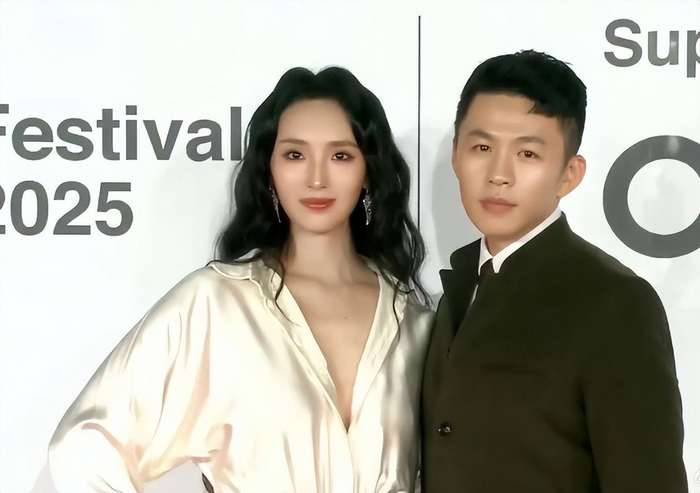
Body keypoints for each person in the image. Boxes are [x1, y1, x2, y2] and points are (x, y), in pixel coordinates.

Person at [49, 67, 432, 493]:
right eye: (295, 155)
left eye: (340, 156)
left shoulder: (415, 323)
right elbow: (85, 445)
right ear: (269, 171)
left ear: (368, 172)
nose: (317, 178)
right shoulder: (215, 305)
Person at [421, 50, 687, 492]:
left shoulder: (615, 303)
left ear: (569, 174)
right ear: (455, 155)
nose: (499, 175)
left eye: (527, 153)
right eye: (482, 148)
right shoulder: (461, 287)